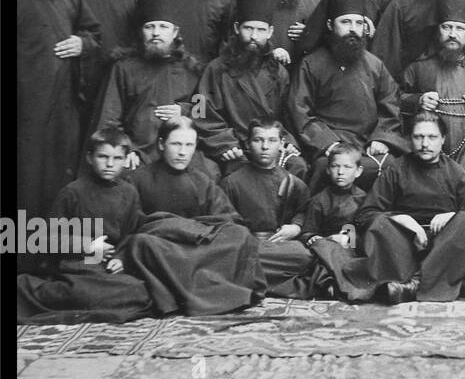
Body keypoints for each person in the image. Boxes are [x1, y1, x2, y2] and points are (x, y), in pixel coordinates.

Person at [116, 117, 266, 316]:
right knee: (142, 244)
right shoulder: (137, 179)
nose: (182, 152)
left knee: (240, 235)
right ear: (161, 144)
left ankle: (200, 288)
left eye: (189, 145)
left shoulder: (201, 179)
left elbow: (228, 218)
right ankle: (203, 290)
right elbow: (129, 225)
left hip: (196, 247)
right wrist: (177, 227)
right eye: (176, 144)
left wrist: (198, 230)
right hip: (163, 247)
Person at [18, 0, 102, 219]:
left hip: (62, 108)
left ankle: (51, 254)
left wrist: (82, 43)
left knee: (56, 178)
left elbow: (94, 34)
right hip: (22, 106)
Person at [16, 130, 153, 324]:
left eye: (117, 158)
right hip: (77, 267)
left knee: (139, 291)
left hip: (108, 267)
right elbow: (45, 239)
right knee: (85, 292)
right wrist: (86, 246)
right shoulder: (73, 192)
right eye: (103, 156)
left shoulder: (129, 192)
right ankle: (39, 290)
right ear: (90, 158)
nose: (110, 164)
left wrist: (121, 258)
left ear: (124, 160)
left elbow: (132, 232)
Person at [286, 0, 406, 192]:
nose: (353, 29)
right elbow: (300, 112)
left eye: (358, 23)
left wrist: (381, 139)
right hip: (329, 145)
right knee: (327, 168)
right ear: (331, 25)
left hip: (367, 144)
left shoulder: (374, 64)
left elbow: (391, 106)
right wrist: (328, 143)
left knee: (392, 167)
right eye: (346, 22)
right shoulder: (311, 64)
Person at [352, 113, 465, 303]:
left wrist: (452, 216)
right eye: (418, 137)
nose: (425, 144)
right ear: (409, 139)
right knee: (379, 223)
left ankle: (414, 283)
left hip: (444, 244)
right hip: (406, 244)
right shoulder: (396, 170)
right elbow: (365, 215)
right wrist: (399, 218)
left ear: (443, 139)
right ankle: (448, 283)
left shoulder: (455, 172)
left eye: (432, 137)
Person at [194, 0, 306, 179]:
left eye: (261, 30)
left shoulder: (279, 72)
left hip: (269, 144)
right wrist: (225, 143)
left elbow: (288, 117)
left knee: (298, 166)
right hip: (234, 145)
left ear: (270, 32)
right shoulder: (216, 68)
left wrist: (286, 140)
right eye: (248, 28)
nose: (254, 36)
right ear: (237, 29)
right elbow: (200, 111)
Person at [94, 0, 208, 175]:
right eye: (150, 27)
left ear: (175, 32)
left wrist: (184, 110)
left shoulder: (192, 69)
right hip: (137, 156)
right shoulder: (124, 68)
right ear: (142, 31)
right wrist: (125, 149)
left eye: (163, 26)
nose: (156, 33)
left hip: (181, 156)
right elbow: (109, 119)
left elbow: (204, 111)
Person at [398, 0, 465, 168]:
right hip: (423, 153)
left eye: (460, 28)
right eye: (446, 27)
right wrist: (417, 100)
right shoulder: (417, 68)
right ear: (437, 30)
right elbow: (394, 100)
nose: (452, 34)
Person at [217, 119, 314, 298]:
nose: (265, 147)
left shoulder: (292, 182)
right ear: (248, 144)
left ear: (282, 144)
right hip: (246, 245)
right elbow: (224, 222)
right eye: (258, 140)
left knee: (303, 256)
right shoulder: (232, 182)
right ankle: (276, 284)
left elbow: (304, 210)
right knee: (227, 256)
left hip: (279, 245)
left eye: (271, 141)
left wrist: (296, 226)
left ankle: (247, 281)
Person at [299, 143, 370, 301]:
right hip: (327, 250)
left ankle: (353, 288)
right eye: (335, 166)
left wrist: (348, 239)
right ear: (327, 169)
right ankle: (334, 285)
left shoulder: (363, 199)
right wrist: (312, 238)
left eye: (347, 167)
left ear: (358, 171)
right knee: (320, 253)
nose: (340, 172)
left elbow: (368, 233)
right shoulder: (319, 200)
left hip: (353, 248)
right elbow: (308, 231)